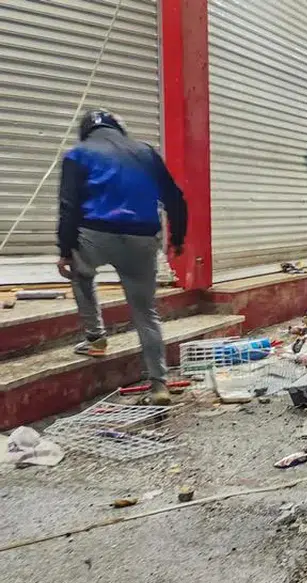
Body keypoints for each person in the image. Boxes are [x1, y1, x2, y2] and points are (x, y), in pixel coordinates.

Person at [58, 109, 187, 406]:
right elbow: (175, 198)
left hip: (95, 235)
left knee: (81, 274)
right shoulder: (145, 152)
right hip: (141, 239)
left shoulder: (77, 155)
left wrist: (65, 251)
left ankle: (96, 338)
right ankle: (159, 384)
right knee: (145, 312)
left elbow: (69, 206)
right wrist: (177, 239)